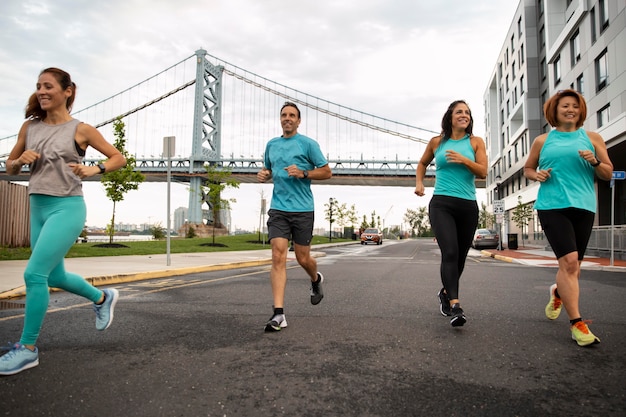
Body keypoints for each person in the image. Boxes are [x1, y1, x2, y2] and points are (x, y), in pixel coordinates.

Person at [0, 68, 127, 376]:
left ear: (67, 91)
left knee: (34, 274)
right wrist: (19, 161)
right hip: (38, 205)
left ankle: (27, 349)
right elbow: (10, 168)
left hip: (67, 208)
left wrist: (94, 169)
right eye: (38, 86)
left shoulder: (80, 130)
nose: (42, 91)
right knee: (54, 276)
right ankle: (102, 297)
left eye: (48, 86)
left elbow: (118, 158)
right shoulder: (29, 128)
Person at [523, 89, 613, 347]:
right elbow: (528, 168)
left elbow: (608, 173)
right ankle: (577, 324)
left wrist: (595, 161)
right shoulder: (542, 141)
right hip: (553, 205)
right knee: (570, 262)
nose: (570, 109)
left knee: (573, 267)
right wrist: (535, 175)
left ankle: (558, 291)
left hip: (584, 206)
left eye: (575, 105)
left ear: (580, 110)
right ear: (555, 110)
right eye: (565, 106)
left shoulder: (593, 138)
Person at [257, 101, 332, 332]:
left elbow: (327, 171)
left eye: (292, 115)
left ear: (298, 121)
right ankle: (279, 314)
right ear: (280, 119)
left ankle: (315, 279)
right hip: (279, 208)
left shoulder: (308, 144)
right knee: (278, 256)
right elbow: (270, 169)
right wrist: (265, 174)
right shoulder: (272, 145)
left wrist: (304, 172)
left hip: (302, 209)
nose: (287, 118)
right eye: (284, 115)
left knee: (302, 258)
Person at [414, 100, 487, 327]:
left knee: (461, 257)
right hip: (442, 204)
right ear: (450, 116)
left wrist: (465, 160)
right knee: (451, 252)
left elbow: (483, 172)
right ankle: (455, 305)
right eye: (459, 112)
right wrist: (419, 183)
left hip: (467, 205)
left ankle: (445, 292)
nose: (463, 115)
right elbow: (423, 163)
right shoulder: (437, 142)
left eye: (467, 112)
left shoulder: (476, 142)